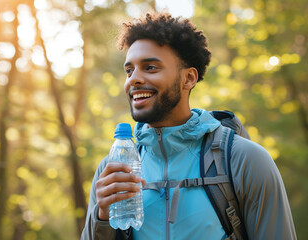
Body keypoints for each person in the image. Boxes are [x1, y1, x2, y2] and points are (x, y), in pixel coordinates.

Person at [81, 12, 296, 240]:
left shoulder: (245, 161)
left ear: (189, 78)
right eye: (129, 70)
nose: (133, 79)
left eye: (151, 67)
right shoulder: (113, 169)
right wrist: (102, 218)